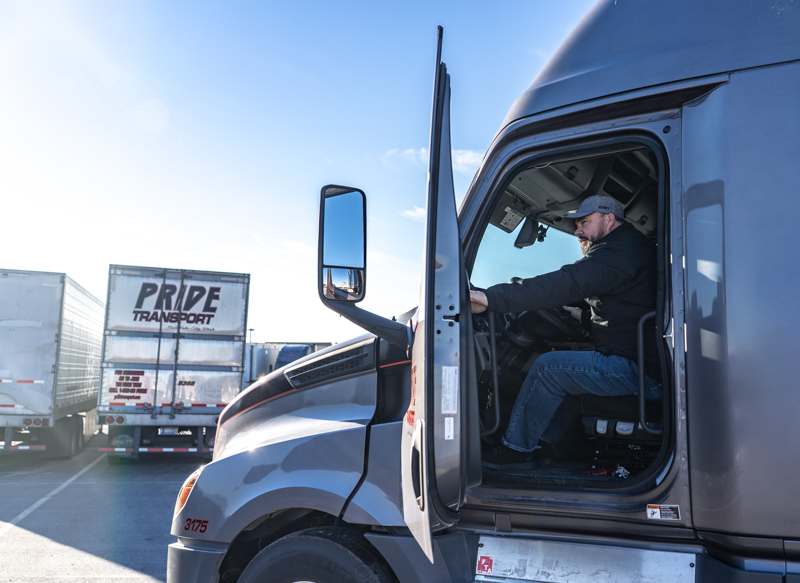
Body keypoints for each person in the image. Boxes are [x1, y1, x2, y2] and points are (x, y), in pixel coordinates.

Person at [471, 194, 662, 469]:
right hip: (642, 360)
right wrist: (582, 316)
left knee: (548, 367)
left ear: (609, 219)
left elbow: (568, 282)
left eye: (584, 222)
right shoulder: (631, 248)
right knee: (570, 367)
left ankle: (516, 451)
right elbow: (626, 309)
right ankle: (547, 447)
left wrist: (492, 298)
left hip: (641, 370)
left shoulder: (618, 252)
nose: (578, 231)